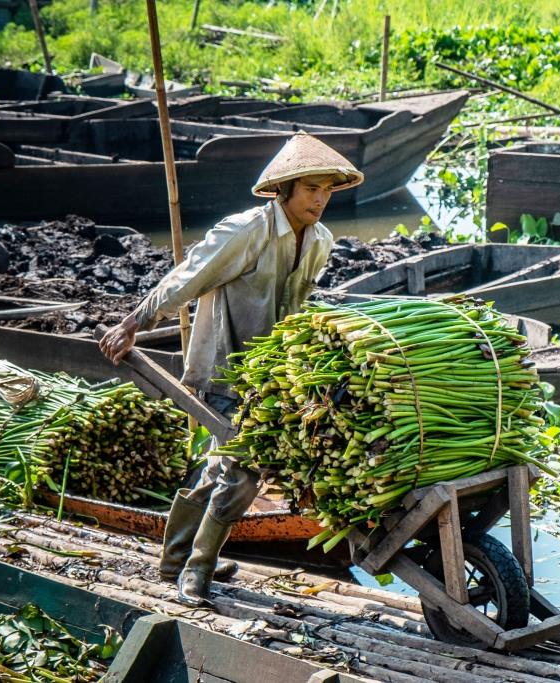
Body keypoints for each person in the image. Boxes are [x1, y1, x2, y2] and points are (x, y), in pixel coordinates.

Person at [98, 131, 364, 606]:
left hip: (273, 376)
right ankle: (195, 572)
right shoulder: (246, 231)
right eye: (311, 189)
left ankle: (175, 557)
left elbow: (300, 307)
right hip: (224, 369)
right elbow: (188, 276)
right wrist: (134, 321)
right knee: (243, 474)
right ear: (284, 189)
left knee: (222, 468)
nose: (321, 199)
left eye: (327, 190)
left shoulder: (320, 241)